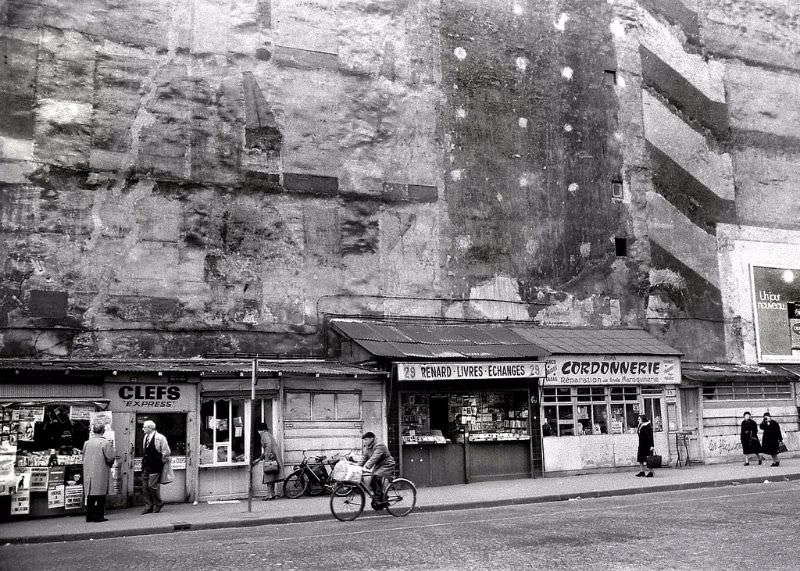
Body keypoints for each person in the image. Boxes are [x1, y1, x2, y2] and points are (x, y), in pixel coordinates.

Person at [82, 422, 116, 522]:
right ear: (103, 431)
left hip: (88, 471)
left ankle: (89, 516)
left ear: (93, 431)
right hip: (101, 471)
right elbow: (110, 457)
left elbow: (83, 456)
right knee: (100, 495)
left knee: (90, 495)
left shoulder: (87, 443)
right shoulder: (105, 443)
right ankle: (98, 516)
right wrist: (110, 463)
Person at [359, 431, 396, 510]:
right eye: (364, 440)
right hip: (379, 465)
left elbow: (375, 457)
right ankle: (381, 499)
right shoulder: (368, 447)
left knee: (376, 477)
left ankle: (379, 499)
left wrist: (367, 466)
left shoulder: (379, 445)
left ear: (372, 439)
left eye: (366, 440)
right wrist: (357, 467)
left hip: (387, 464)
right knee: (373, 479)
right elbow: (364, 458)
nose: (364, 442)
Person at [141, 420, 170, 514]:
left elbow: (166, 452)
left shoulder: (160, 438)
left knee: (152, 486)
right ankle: (148, 506)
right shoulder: (146, 437)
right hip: (146, 465)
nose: (143, 429)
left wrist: (161, 462)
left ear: (150, 428)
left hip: (155, 465)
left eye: (144, 427)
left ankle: (158, 503)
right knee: (145, 487)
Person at [252, 422, 281, 500]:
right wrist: (261, 458)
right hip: (274, 456)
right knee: (272, 475)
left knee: (268, 475)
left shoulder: (264, 435)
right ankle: (272, 493)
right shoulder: (268, 434)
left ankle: (269, 495)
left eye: (258, 430)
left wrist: (266, 457)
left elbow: (268, 445)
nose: (258, 432)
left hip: (270, 458)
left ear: (260, 430)